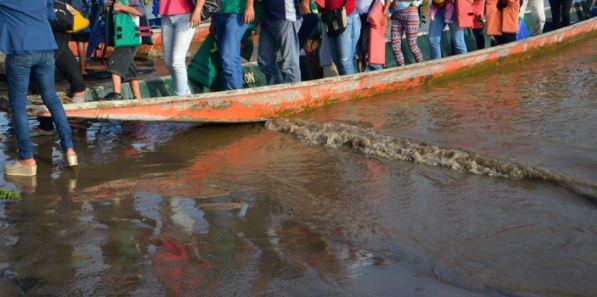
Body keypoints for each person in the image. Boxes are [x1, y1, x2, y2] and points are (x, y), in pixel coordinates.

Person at [0, 0, 78, 176]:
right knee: (51, 98)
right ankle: (70, 150)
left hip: (20, 48)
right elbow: (51, 15)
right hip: (45, 45)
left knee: (18, 106)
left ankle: (26, 159)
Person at [160, 0, 205, 96]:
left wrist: (197, 10)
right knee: (168, 61)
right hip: (166, 16)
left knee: (177, 61)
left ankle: (180, 96)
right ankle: (186, 93)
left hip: (186, 15)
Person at [104, 0, 145, 100]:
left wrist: (122, 7)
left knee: (114, 62)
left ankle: (117, 94)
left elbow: (140, 12)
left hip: (129, 38)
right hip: (122, 39)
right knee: (129, 67)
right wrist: (108, 5)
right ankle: (137, 97)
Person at [258, 0, 303, 85]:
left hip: (286, 16)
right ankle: (276, 92)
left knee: (290, 63)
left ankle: (293, 94)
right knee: (265, 60)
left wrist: (306, 2)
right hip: (267, 18)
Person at [213, 0, 255, 90]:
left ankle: (234, 92)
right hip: (220, 12)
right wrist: (213, 18)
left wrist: (249, 6)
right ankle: (236, 90)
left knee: (228, 56)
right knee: (227, 56)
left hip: (238, 11)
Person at [314, 0, 361, 75]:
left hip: (345, 15)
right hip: (330, 18)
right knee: (337, 61)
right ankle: (347, 86)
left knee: (345, 62)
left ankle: (350, 86)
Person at [355, 0, 391, 71]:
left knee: (371, 50)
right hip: (358, 17)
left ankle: (378, 71)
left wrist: (383, 14)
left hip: (372, 19)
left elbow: (388, 1)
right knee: (361, 49)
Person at [390, 0, 424, 66]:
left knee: (412, 45)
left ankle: (422, 67)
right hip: (396, 16)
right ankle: (401, 69)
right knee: (395, 46)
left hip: (411, 14)